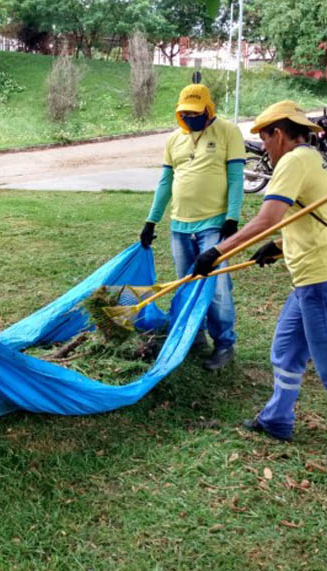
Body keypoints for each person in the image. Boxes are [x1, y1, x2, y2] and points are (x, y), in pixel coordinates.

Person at [192, 100, 327, 474]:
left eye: (265, 139)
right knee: (285, 349)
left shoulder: (293, 160)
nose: (264, 148)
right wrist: (280, 245)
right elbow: (313, 216)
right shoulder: (314, 158)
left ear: (279, 134)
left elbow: (268, 216)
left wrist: (216, 252)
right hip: (313, 280)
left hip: (324, 280)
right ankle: (277, 419)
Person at [139, 83, 245, 371]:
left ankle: (224, 344)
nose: (189, 117)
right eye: (184, 113)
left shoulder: (228, 132)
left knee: (218, 288)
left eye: (194, 112)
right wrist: (151, 220)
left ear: (208, 109)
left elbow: (236, 178)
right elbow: (165, 183)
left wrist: (232, 218)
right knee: (186, 283)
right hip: (179, 226)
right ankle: (194, 337)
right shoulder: (174, 140)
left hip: (213, 225)